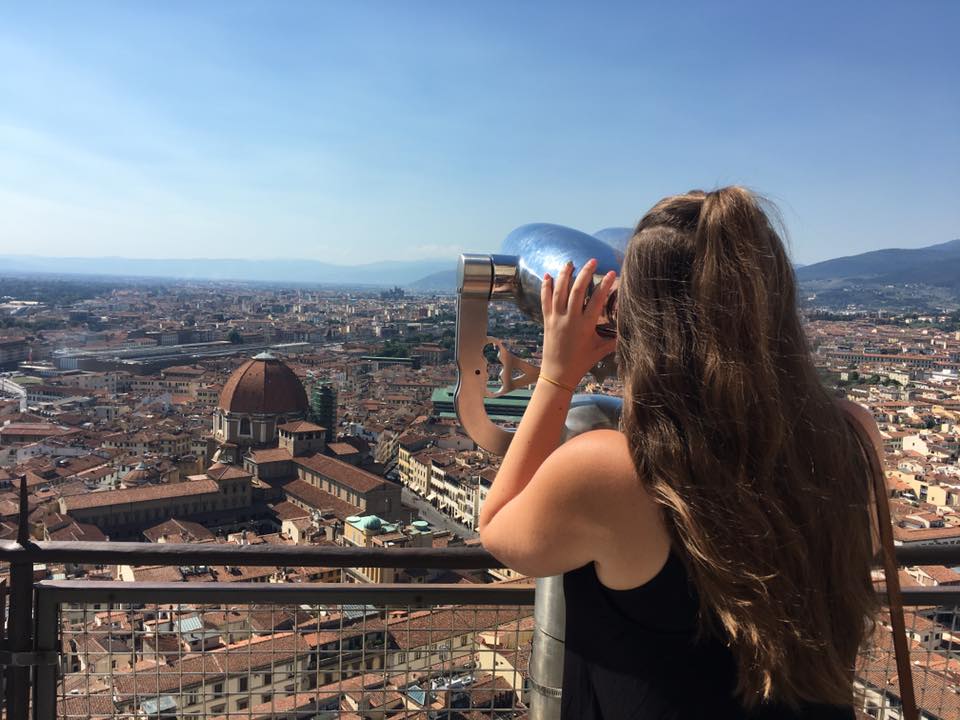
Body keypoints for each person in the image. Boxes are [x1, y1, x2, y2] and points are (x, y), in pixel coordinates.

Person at [478, 186, 881, 719]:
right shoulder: (853, 433)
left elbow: (501, 531)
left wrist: (558, 371)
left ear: (640, 312)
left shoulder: (614, 469)